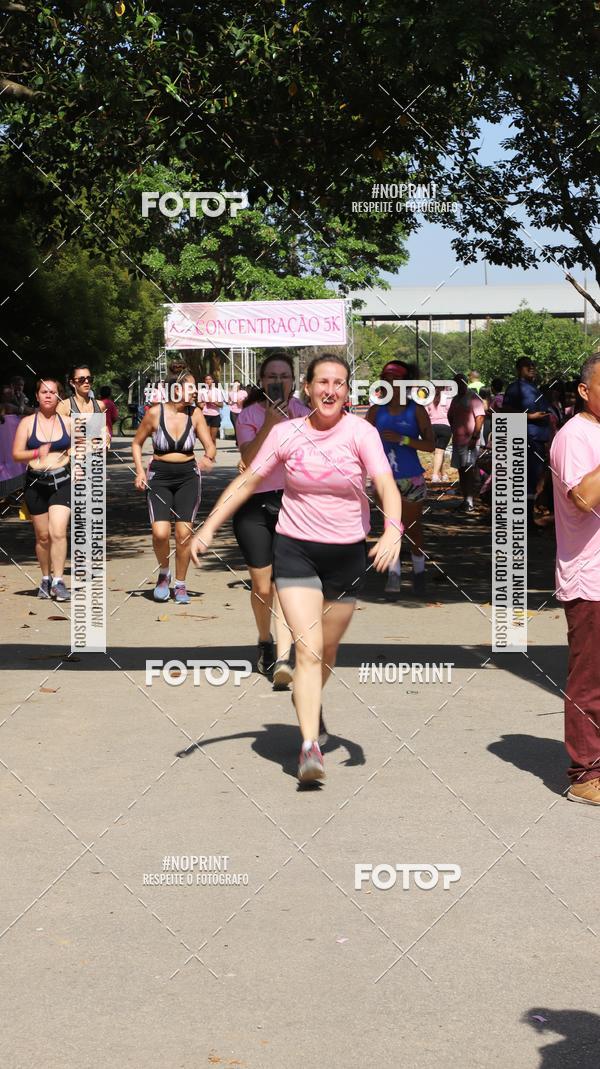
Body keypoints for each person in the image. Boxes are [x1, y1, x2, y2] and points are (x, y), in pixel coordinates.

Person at [190, 355, 402, 784]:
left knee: (327, 652)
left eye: (339, 383)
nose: (330, 390)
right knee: (307, 650)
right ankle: (309, 747)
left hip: (346, 553)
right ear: (307, 388)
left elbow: (385, 485)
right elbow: (248, 480)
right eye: (322, 382)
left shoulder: (360, 432)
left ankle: (308, 697)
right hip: (295, 549)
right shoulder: (287, 432)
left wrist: (393, 531)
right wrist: (208, 527)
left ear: (347, 391)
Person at [233, 352, 308, 686]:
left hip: (293, 505)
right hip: (254, 507)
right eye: (272, 377)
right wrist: (269, 424)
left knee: (286, 584)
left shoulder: (305, 414)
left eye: (284, 376)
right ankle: (265, 640)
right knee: (263, 587)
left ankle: (284, 657)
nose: (278, 382)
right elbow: (248, 459)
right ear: (262, 382)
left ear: (293, 382)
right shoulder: (248, 415)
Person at [550, 352, 600, 805]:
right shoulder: (574, 437)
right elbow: (583, 498)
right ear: (585, 391)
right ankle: (585, 775)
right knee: (590, 680)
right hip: (591, 579)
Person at [132, 368, 216, 604]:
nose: (195, 391)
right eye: (191, 387)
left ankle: (180, 584)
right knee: (160, 533)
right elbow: (137, 443)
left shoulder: (195, 414)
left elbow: (210, 445)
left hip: (188, 477)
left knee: (183, 534)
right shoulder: (154, 413)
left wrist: (208, 457)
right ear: (176, 389)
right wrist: (140, 471)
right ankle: (163, 573)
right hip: (159, 476)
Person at [366, 360, 434, 597]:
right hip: (384, 480)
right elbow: (360, 441)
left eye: (395, 380)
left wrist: (403, 439)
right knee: (391, 527)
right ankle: (394, 574)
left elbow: (431, 445)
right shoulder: (376, 411)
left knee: (412, 529)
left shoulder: (416, 410)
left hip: (411, 479)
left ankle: (419, 572)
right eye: (386, 380)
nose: (391, 384)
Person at [12, 377, 72, 600]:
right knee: (43, 537)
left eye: (52, 392)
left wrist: (102, 437)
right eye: (44, 392)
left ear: (59, 397)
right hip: (35, 484)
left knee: (58, 532)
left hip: (62, 482)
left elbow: (84, 446)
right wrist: (38, 452)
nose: (48, 395)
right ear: (37, 396)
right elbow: (16, 454)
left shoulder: (69, 423)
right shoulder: (27, 423)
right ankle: (46, 578)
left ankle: (59, 581)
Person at [502, 357, 551, 530]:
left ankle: (528, 519)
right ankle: (522, 522)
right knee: (523, 481)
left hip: (538, 440)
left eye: (533, 365)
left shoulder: (535, 388)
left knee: (533, 480)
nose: (531, 368)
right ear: (518, 369)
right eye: (527, 365)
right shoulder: (515, 388)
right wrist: (530, 416)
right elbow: (505, 411)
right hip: (524, 439)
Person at [447, 374, 485, 513]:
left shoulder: (473, 398)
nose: (458, 385)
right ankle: (465, 500)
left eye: (460, 382)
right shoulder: (456, 399)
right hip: (458, 441)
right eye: (456, 383)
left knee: (469, 470)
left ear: (465, 382)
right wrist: (455, 428)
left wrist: (474, 437)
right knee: (462, 471)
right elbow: (450, 415)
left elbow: (480, 418)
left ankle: (470, 501)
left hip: (470, 442)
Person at [426, 385, 452, 484]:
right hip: (445, 427)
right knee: (439, 452)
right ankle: (435, 475)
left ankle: (443, 474)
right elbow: (452, 412)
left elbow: (425, 413)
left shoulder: (429, 398)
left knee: (438, 452)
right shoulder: (448, 398)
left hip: (432, 427)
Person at [198, 373, 222, 445]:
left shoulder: (217, 391)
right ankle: (208, 451)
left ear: (212, 380)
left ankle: (213, 452)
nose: (208, 381)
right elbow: (199, 403)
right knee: (207, 438)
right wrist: (201, 405)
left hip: (215, 415)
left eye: (209, 379)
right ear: (204, 381)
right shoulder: (201, 391)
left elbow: (221, 405)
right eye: (206, 379)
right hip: (205, 415)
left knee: (213, 438)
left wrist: (214, 402)